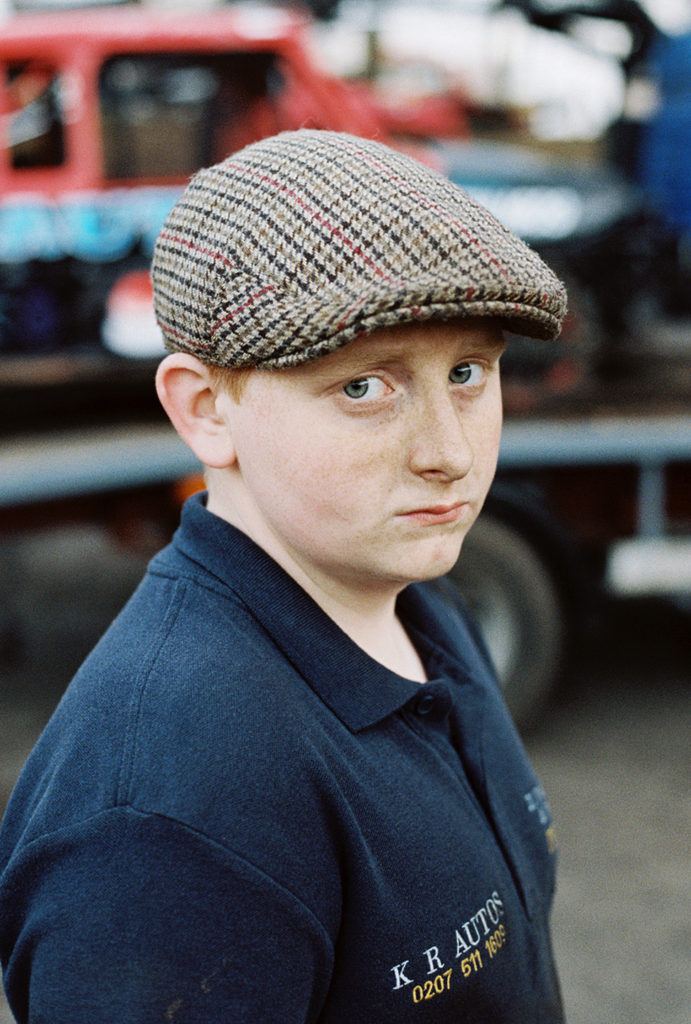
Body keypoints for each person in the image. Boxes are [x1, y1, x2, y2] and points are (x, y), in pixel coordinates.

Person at [0, 130, 567, 1023]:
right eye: (362, 389)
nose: (450, 455)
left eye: (467, 372)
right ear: (204, 409)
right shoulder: (161, 827)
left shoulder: (423, 608)